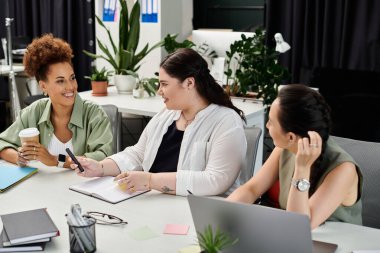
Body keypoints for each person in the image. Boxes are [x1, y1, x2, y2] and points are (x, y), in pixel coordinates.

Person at [72, 48, 247, 196]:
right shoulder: (166, 115)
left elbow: (216, 180)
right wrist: (100, 167)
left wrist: (150, 180)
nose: (159, 91)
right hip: (155, 202)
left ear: (189, 83)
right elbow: (137, 154)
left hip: (198, 215)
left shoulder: (226, 121)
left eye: (164, 84)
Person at [228, 84, 362, 229]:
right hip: (295, 239)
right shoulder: (284, 147)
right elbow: (252, 189)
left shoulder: (344, 169)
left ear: (291, 137)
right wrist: (221, 213)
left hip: (337, 244)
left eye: (271, 122)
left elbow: (299, 226)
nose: (266, 125)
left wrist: (302, 169)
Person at [0, 34, 113, 168]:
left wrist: (56, 160)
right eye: (60, 81)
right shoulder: (33, 112)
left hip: (81, 187)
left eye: (72, 78)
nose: (70, 86)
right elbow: (3, 143)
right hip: (42, 187)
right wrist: (20, 158)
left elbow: (102, 157)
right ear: (43, 86)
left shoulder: (94, 114)